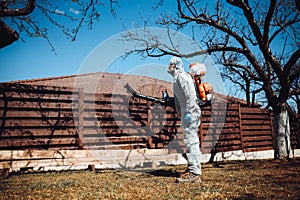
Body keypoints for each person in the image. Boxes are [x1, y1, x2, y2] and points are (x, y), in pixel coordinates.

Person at [167, 56, 202, 183]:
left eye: (171, 64)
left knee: (191, 140)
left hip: (190, 112)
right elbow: (181, 99)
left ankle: (195, 173)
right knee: (189, 140)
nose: (169, 66)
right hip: (187, 112)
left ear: (177, 65)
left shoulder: (182, 76)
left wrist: (188, 113)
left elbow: (191, 96)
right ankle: (192, 168)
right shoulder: (177, 78)